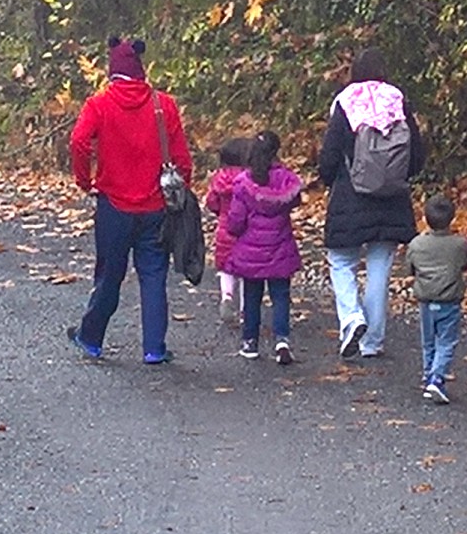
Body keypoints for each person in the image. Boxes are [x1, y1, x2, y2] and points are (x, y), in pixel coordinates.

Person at [66, 36, 191, 365]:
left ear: (112, 71)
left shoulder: (99, 104)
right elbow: (182, 159)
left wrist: (84, 180)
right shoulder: (164, 105)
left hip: (114, 206)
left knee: (109, 274)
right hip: (155, 207)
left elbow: (78, 141)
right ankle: (154, 348)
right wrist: (179, 194)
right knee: (153, 276)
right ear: (140, 70)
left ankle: (91, 339)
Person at [314, 46, 421, 360]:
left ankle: (351, 318)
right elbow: (416, 155)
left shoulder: (346, 102)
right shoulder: (397, 99)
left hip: (351, 194)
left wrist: (328, 179)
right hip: (392, 199)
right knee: (379, 269)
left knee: (341, 260)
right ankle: (372, 343)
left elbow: (331, 154)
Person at [211, 131, 304, 365]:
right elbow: (295, 200)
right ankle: (282, 340)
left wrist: (235, 231)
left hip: (250, 251)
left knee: (252, 296)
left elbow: (235, 221)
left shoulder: (244, 183)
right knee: (280, 296)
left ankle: (250, 342)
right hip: (280, 248)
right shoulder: (286, 181)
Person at [406, 193, 467, 404]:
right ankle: (438, 376)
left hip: (426, 299)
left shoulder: (416, 245)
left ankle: (428, 375)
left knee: (428, 342)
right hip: (450, 300)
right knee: (447, 341)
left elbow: (410, 269)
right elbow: (465, 264)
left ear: (425, 218)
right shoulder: (460, 244)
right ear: (452, 218)